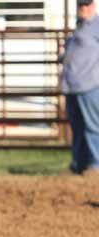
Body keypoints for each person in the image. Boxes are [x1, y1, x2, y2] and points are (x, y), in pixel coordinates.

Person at [62, 0, 99, 175]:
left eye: (86, 5)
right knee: (77, 128)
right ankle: (79, 164)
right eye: (80, 5)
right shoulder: (80, 27)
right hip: (72, 86)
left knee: (93, 126)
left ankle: (96, 165)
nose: (82, 9)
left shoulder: (97, 26)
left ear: (93, 6)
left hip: (90, 85)